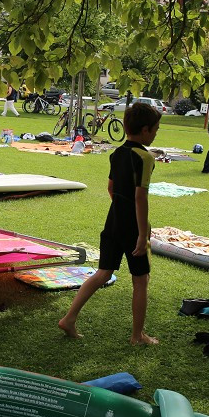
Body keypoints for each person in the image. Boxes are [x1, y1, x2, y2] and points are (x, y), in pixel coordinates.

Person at [58, 103, 162, 345]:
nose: (156, 133)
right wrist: (142, 232)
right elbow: (140, 196)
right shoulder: (145, 157)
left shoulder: (116, 154)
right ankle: (138, 336)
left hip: (113, 220)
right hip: (133, 226)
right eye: (156, 129)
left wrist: (121, 210)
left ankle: (69, 318)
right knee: (141, 279)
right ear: (145, 130)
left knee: (103, 273)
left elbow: (111, 188)